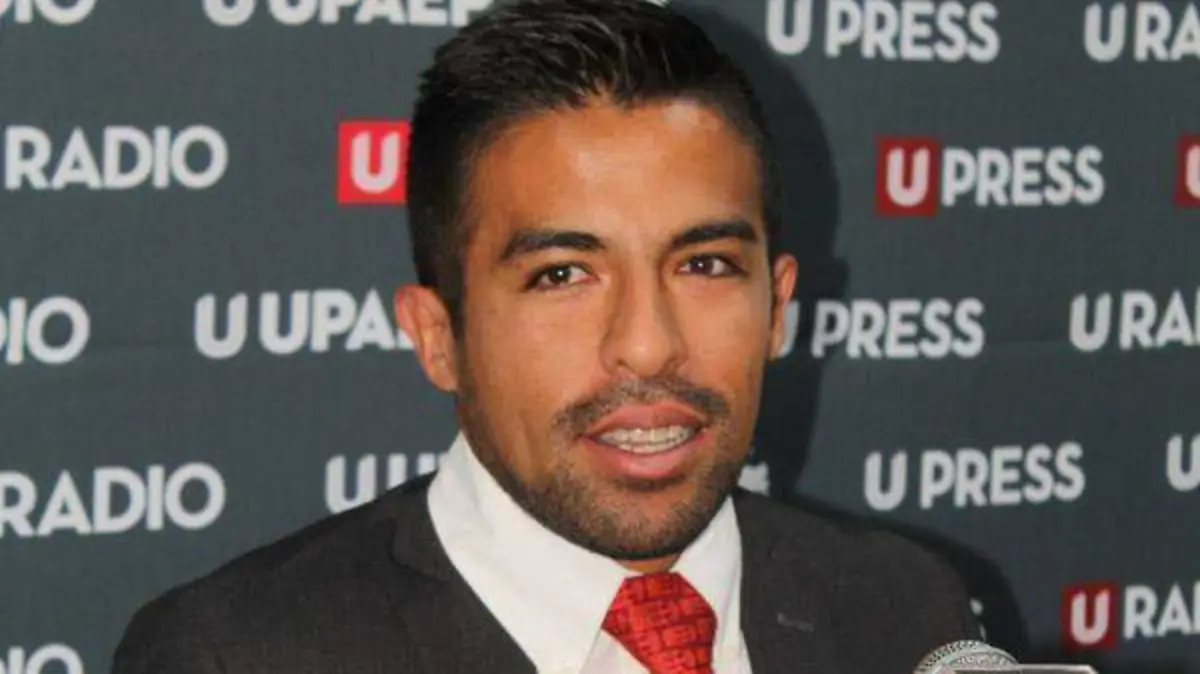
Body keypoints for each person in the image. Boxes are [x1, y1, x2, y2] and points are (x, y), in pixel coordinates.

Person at [112, 1, 981, 672]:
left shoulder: (906, 611)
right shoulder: (236, 657)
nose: (648, 346)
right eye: (562, 275)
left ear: (778, 306)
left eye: (705, 265)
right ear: (437, 336)